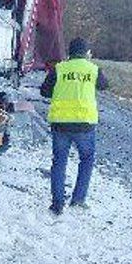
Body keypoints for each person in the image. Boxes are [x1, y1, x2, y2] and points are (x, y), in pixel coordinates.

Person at [40, 38, 108, 215]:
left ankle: (57, 204)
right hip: (84, 124)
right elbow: (104, 86)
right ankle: (78, 199)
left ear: (69, 53)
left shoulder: (59, 69)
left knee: (59, 162)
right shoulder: (93, 70)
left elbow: (44, 91)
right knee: (86, 160)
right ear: (86, 53)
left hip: (60, 123)